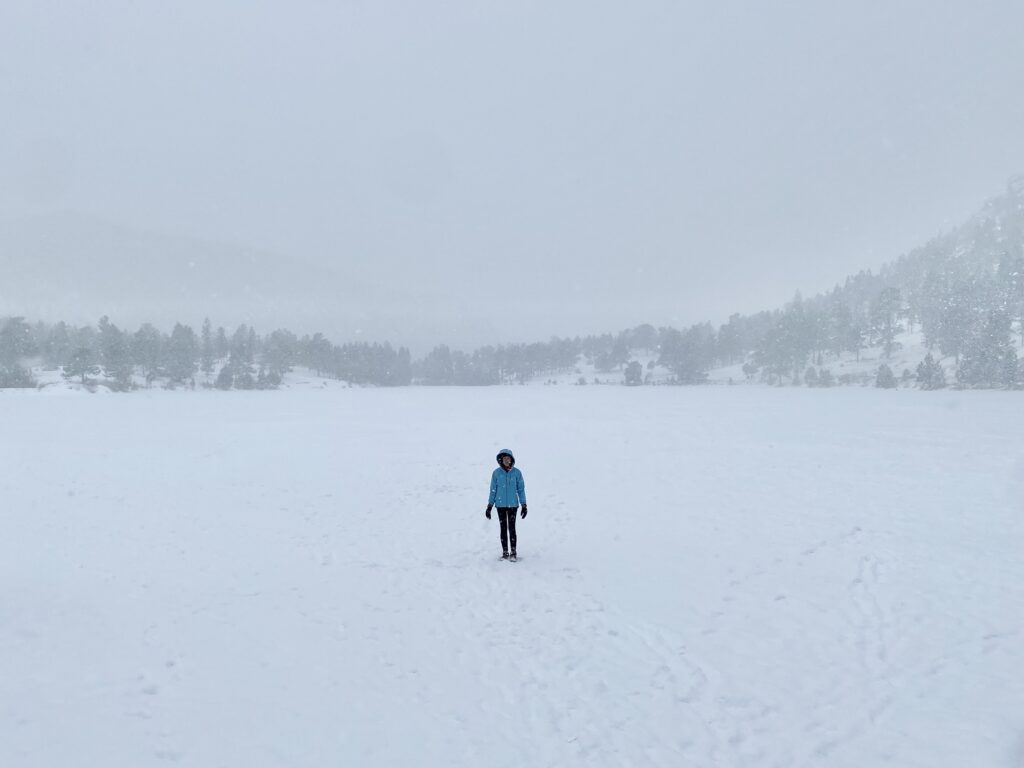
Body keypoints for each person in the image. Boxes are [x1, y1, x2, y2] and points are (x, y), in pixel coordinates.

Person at [485, 448, 527, 561]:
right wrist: (489, 506)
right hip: (500, 506)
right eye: (504, 458)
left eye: (508, 458)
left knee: (512, 528)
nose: (506, 460)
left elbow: (521, 490)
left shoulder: (517, 473)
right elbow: (493, 490)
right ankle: (505, 552)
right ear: (501, 460)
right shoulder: (496, 473)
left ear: (511, 459)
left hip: (513, 505)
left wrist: (524, 505)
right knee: (503, 529)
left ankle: (513, 552)